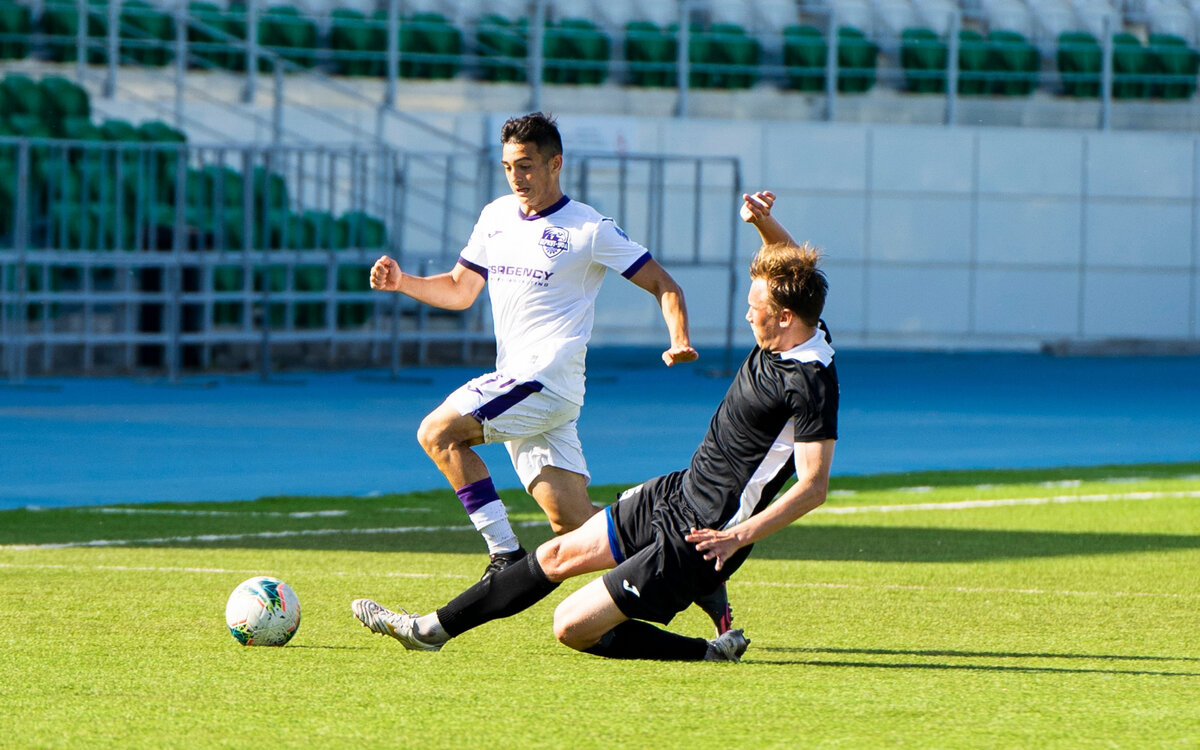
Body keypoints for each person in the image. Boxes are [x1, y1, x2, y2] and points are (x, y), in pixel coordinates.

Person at [351, 189, 838, 661]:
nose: (748, 312)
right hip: (674, 493)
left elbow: (813, 487)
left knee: (571, 627)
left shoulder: (810, 381)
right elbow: (786, 261)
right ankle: (427, 630)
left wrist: (738, 537)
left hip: (703, 537)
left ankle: (708, 651)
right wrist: (762, 223)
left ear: (786, 318)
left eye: (756, 309)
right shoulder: (799, 326)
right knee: (557, 552)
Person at [368, 112, 699, 581]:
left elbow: (665, 285)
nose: (516, 177)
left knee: (436, 432)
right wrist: (403, 283)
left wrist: (679, 338)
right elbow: (461, 290)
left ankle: (503, 553)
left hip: (544, 378)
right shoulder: (495, 216)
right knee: (575, 526)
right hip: (523, 386)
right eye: (507, 166)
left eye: (525, 165)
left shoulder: (589, 229)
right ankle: (689, 564)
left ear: (555, 163)